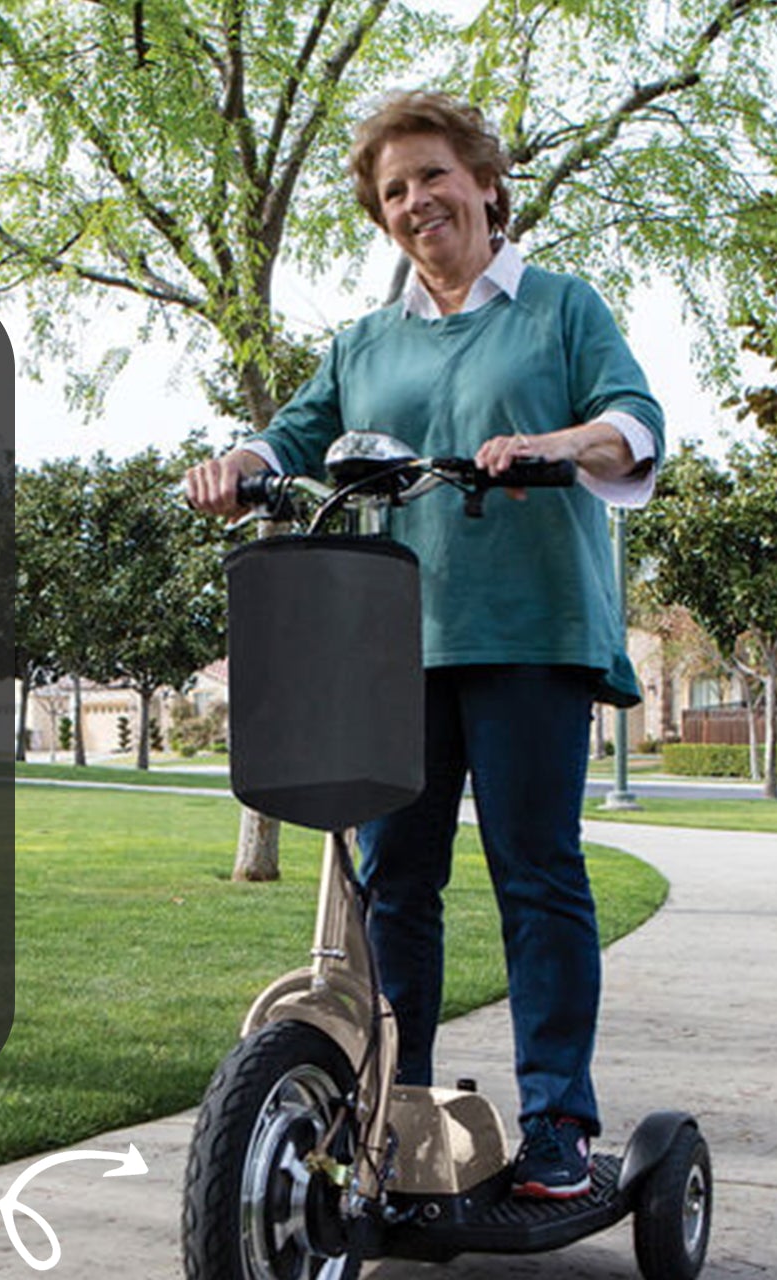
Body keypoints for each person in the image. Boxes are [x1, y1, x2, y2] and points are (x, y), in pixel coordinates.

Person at [186, 91, 663, 1200]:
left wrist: (559, 442)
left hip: (531, 632)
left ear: (486, 183)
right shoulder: (366, 341)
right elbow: (289, 438)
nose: (417, 203)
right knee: (394, 881)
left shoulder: (556, 309)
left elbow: (635, 422)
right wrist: (235, 467)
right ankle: (404, 1110)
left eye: (434, 177)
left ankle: (556, 1126)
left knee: (536, 873)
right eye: (394, 191)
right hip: (395, 642)